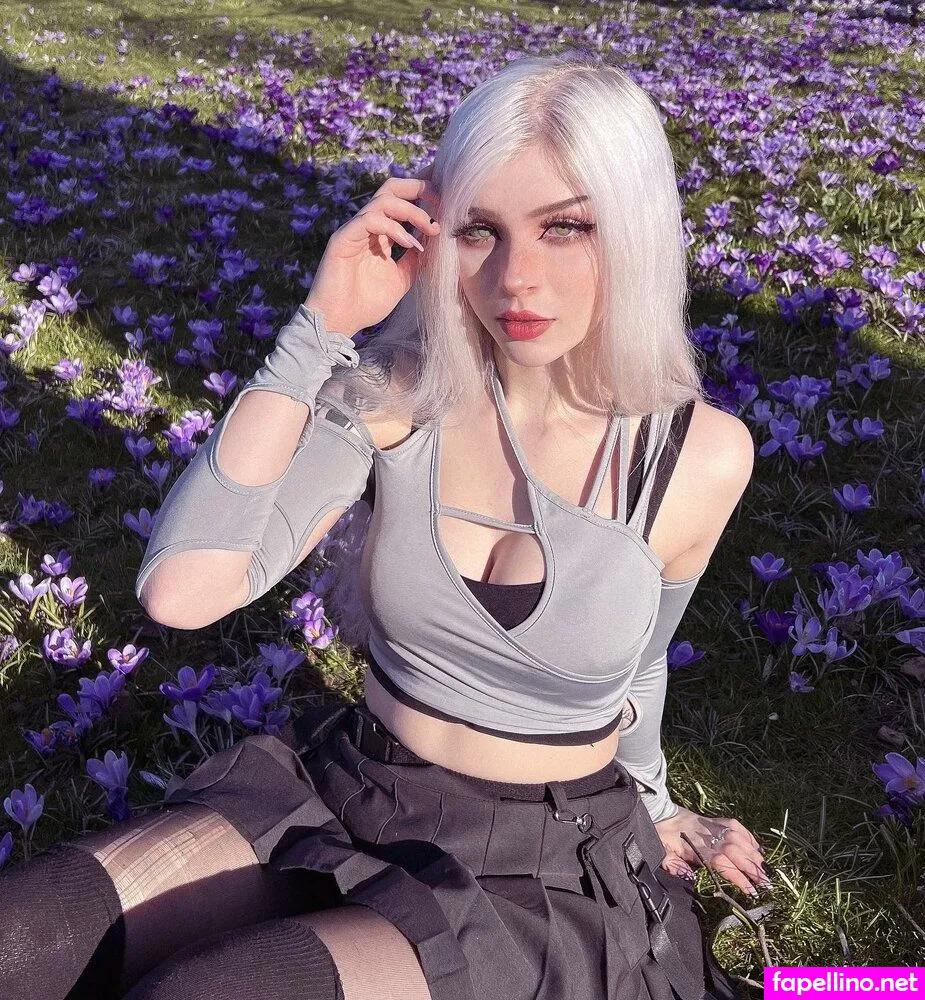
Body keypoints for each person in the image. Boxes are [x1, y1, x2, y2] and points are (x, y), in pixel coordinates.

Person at [0, 53, 767, 1000]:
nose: (517, 279)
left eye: (566, 227)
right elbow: (183, 590)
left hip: (539, 865)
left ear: (636, 229)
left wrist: (655, 805)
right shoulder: (397, 399)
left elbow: (638, 662)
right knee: (20, 935)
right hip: (351, 788)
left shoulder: (700, 456)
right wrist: (320, 325)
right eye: (479, 230)